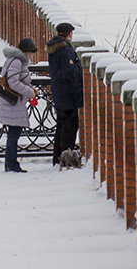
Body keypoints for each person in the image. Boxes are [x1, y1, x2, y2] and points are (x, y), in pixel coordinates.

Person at [0, 38, 37, 173]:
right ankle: (12, 164)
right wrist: (29, 92)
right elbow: (13, 82)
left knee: (13, 134)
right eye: (31, 52)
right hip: (12, 102)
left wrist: (29, 88)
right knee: (13, 134)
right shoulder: (17, 62)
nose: (32, 55)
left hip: (12, 102)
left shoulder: (14, 60)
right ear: (25, 52)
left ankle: (11, 163)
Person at [46, 22, 83, 166]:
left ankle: (58, 158)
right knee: (69, 128)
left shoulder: (54, 48)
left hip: (59, 93)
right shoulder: (66, 50)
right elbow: (69, 71)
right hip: (69, 95)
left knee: (61, 128)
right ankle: (67, 159)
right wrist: (79, 66)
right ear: (69, 34)